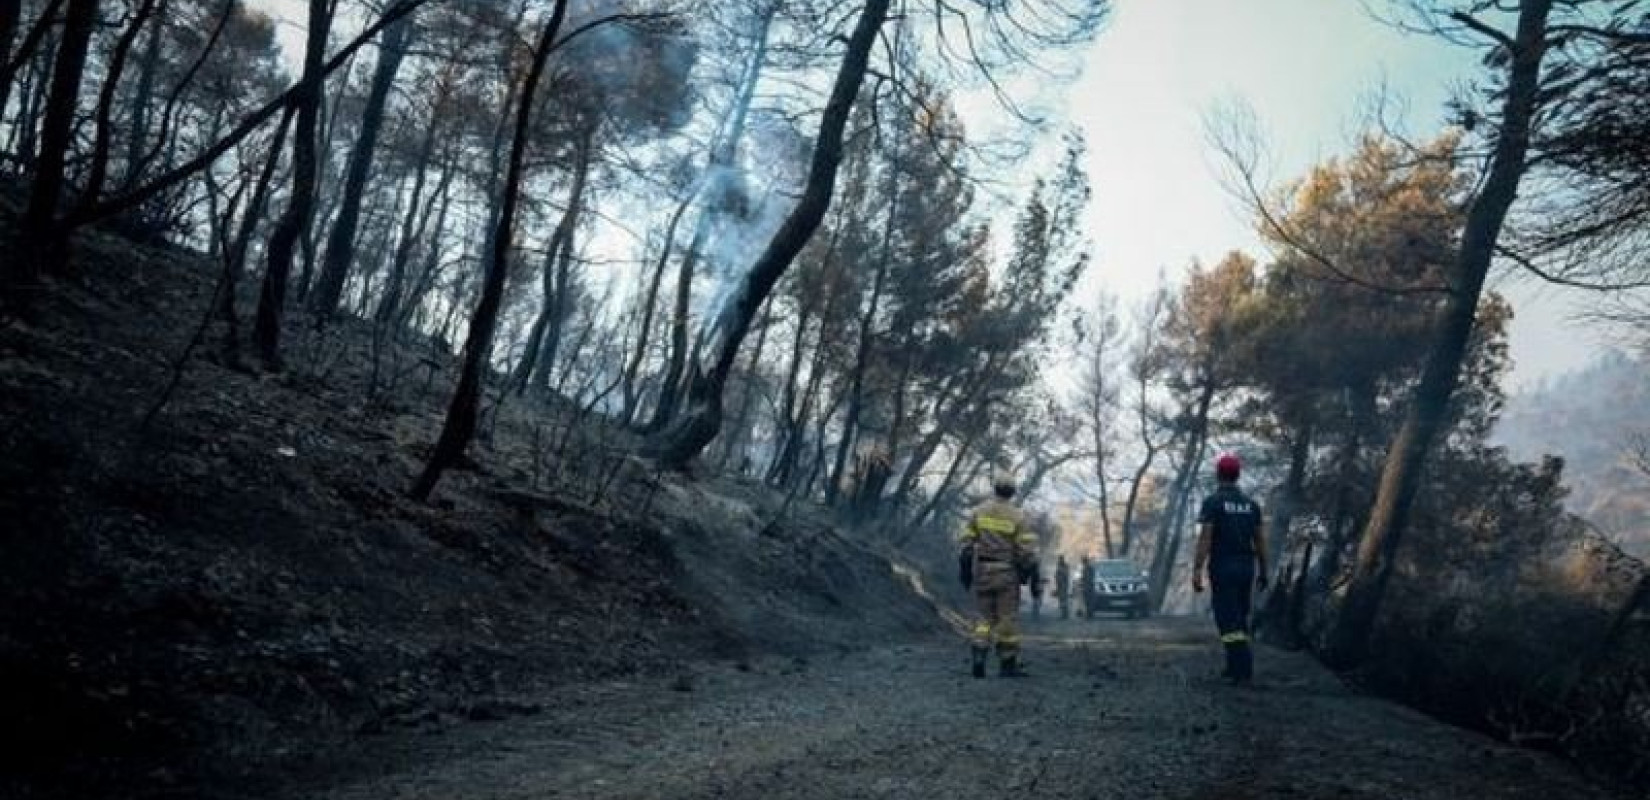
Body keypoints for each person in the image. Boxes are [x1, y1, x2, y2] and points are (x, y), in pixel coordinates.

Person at [1192, 452, 1269, 685]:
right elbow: (1260, 541)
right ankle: (1233, 665)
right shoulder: (1251, 505)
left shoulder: (1213, 503)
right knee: (1240, 615)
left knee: (1227, 619)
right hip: (1246, 568)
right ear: (1237, 476)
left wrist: (1197, 569)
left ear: (1218, 475)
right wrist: (1264, 570)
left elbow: (1205, 538)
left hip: (1223, 567)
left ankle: (1242, 668)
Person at [958, 473, 1038, 678]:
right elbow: (1027, 553)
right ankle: (1007, 664)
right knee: (1006, 620)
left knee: (983, 619)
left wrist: (965, 571)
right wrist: (1027, 574)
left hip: (982, 572)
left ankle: (978, 656)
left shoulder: (978, 512)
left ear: (994, 489)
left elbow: (966, 546)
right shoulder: (1018, 516)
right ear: (1012, 492)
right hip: (1006, 575)